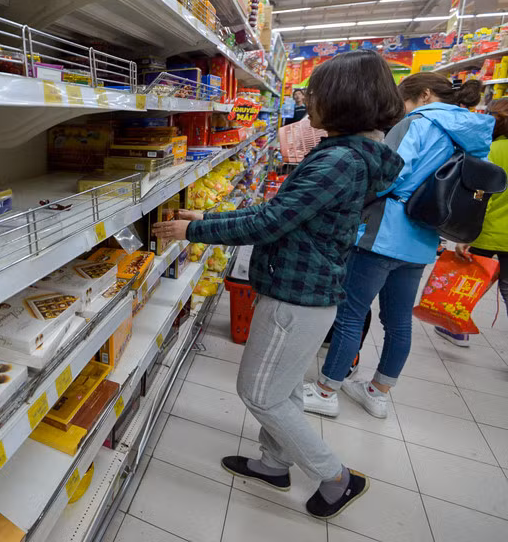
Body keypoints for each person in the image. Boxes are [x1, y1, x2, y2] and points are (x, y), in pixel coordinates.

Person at [153, 50, 404, 519]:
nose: (307, 97)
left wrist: (194, 231)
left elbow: (272, 222)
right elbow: (286, 215)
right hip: (305, 286)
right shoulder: (345, 154)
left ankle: (336, 476)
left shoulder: (339, 162)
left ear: (344, 100)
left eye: (316, 90)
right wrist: (209, 214)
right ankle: (273, 464)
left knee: (260, 392)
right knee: (284, 388)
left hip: (297, 295)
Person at [304, 73, 491, 419]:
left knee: (350, 313)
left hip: (384, 232)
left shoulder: (418, 122)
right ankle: (378, 393)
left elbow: (390, 173)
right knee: (399, 321)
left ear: (423, 95)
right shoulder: (474, 133)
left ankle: (325, 390)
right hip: (424, 237)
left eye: (402, 102)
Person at [437, 97, 508, 345]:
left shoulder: (490, 152)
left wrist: (465, 235)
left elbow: (478, 197)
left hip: (485, 230)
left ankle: (456, 328)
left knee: (469, 282)